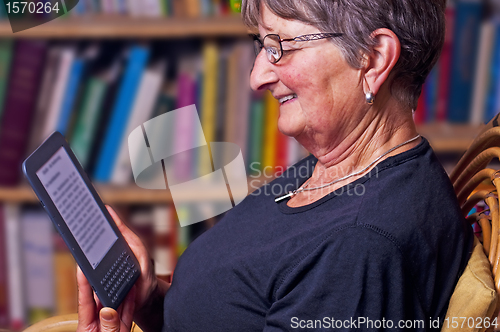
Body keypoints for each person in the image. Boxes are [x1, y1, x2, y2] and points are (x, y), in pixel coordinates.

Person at [77, 0, 473, 331]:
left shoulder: (358, 248)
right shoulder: (334, 169)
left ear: (373, 59)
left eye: (281, 46)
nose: (257, 77)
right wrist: (148, 298)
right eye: (261, 45)